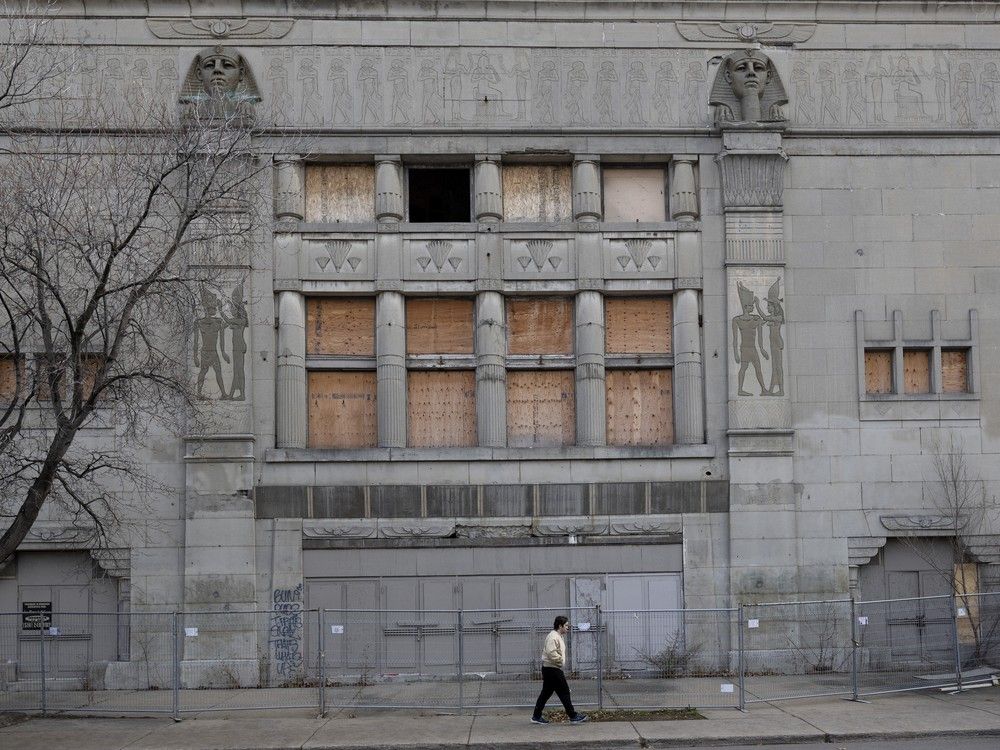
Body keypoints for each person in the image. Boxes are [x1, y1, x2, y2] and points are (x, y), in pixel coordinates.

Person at [531, 616, 588, 724]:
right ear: (560, 626)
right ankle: (573, 716)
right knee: (564, 691)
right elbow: (551, 652)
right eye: (566, 625)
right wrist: (560, 660)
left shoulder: (558, 636)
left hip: (550, 669)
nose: (568, 627)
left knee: (546, 693)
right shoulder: (553, 637)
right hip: (553, 669)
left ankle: (536, 716)